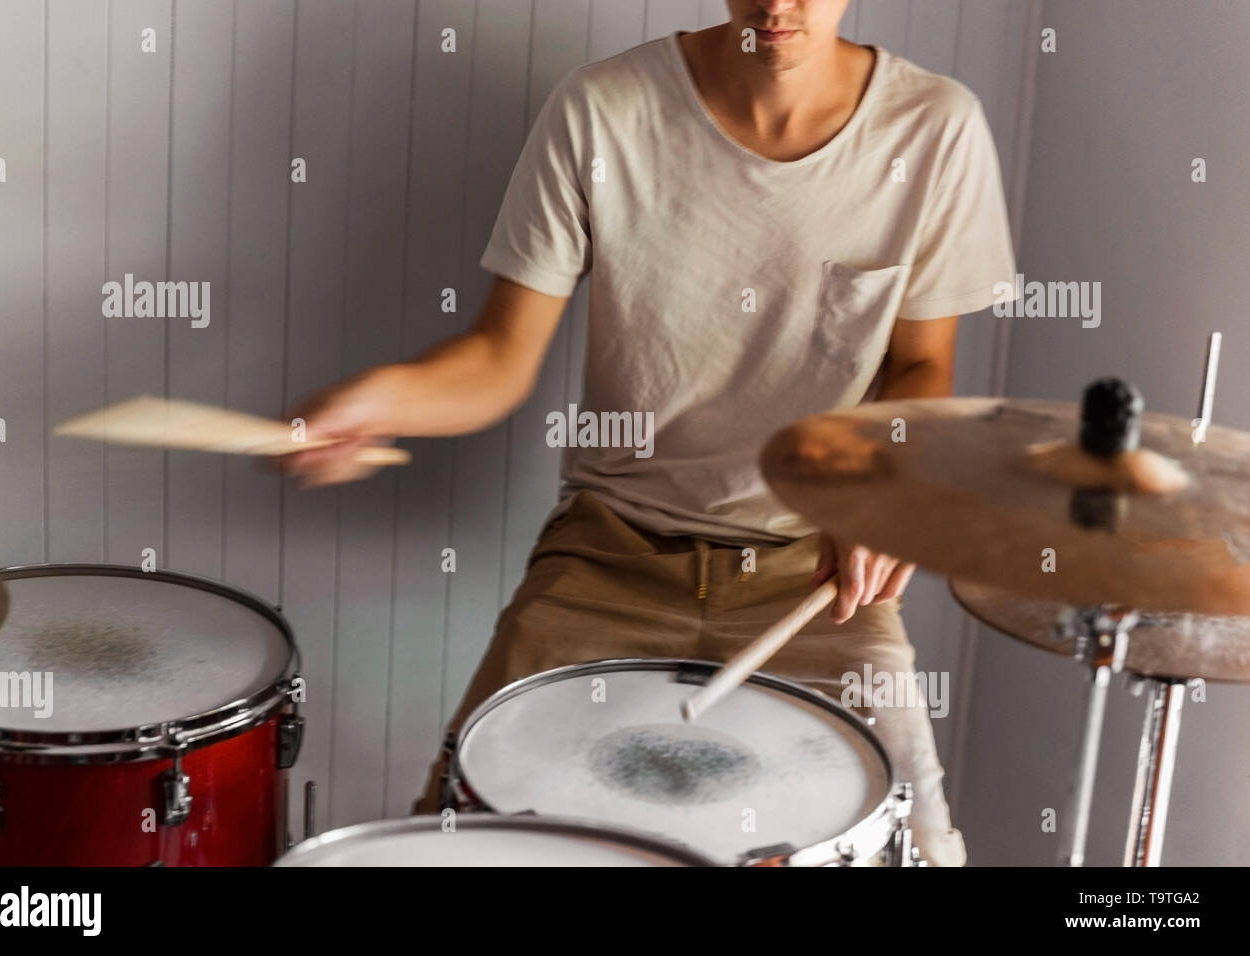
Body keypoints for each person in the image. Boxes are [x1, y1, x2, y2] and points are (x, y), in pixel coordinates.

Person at [283, 0, 1016, 866]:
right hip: (608, 555)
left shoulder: (934, 126)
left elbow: (921, 367)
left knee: (918, 844)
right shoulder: (602, 109)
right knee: (458, 837)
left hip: (813, 579)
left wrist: (886, 487)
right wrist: (382, 400)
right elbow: (499, 359)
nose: (777, 4)